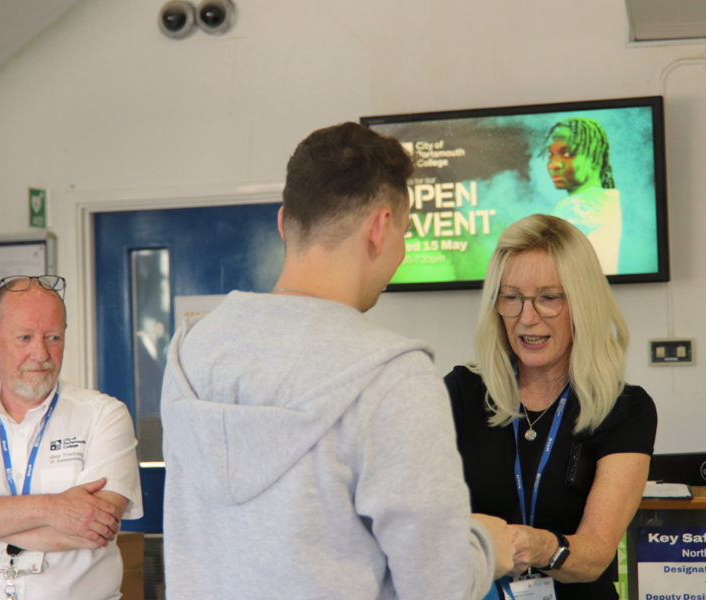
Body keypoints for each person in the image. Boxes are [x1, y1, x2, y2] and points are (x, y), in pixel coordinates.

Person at [160, 122, 514, 600]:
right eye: (404, 232)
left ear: (285, 223)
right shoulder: (393, 376)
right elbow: (437, 587)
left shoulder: (190, 350)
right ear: (380, 229)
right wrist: (487, 547)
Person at [445, 214, 657, 599]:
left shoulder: (626, 408)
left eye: (548, 298)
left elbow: (596, 551)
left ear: (583, 304)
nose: (527, 318)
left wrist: (537, 546)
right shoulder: (460, 393)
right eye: (511, 297)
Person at [0, 275, 143, 600]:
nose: (41, 353)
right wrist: (53, 509)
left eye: (53, 337)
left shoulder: (104, 416)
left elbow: (94, 529)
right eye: (24, 337)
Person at [541, 117, 622, 274]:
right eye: (550, 154)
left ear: (594, 155)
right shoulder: (609, 200)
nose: (553, 164)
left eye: (567, 153)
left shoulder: (576, 209)